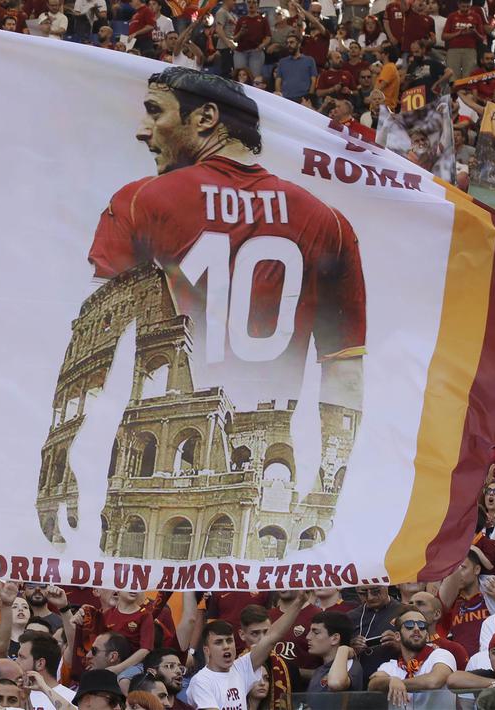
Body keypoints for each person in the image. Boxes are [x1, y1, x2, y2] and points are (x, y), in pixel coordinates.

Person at [37, 67, 365, 554]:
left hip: (163, 448)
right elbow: (345, 376)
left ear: (207, 117)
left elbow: (97, 329)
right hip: (244, 444)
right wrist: (332, 499)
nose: (143, 130)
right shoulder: (329, 222)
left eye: (155, 112)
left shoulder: (139, 201)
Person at [188, 592, 312, 709]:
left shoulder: (241, 668)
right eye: (218, 642)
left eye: (229, 641)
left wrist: (299, 602)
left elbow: (272, 637)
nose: (226, 646)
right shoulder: (201, 681)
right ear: (207, 650)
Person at [367, 609, 456, 710]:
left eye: (422, 625)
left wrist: (400, 683)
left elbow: (434, 681)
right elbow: (373, 685)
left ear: (427, 636)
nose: (417, 628)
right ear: (397, 636)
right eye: (409, 625)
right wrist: (391, 681)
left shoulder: (441, 655)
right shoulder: (390, 666)